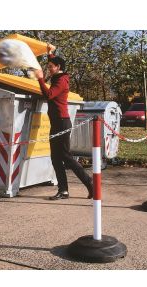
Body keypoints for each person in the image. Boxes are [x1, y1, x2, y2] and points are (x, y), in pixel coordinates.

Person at [34, 44, 93, 200]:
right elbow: (55, 62)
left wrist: (40, 78)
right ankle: (63, 190)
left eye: (51, 67)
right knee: (55, 157)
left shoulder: (61, 81)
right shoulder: (58, 76)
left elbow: (49, 95)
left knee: (65, 156)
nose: (48, 69)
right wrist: (50, 54)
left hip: (62, 122)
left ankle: (89, 182)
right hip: (57, 122)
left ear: (58, 67)